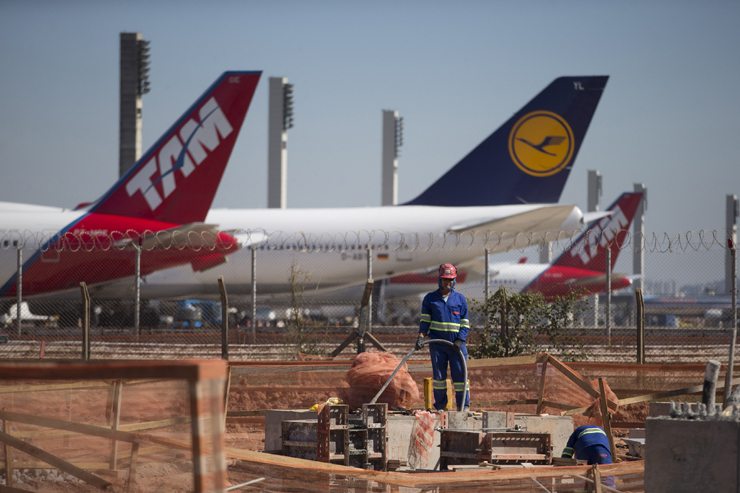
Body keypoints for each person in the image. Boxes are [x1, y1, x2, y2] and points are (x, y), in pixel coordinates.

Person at [416, 264, 470, 411]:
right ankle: (440, 406)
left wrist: (460, 340)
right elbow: (425, 321)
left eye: (451, 279)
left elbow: (465, 322)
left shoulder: (460, 299)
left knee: (460, 378)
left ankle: (463, 406)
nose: (448, 283)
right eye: (445, 279)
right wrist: (421, 337)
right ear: (440, 280)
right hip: (437, 345)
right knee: (439, 378)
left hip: (456, 346)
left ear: (455, 280)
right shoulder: (430, 299)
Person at [562, 425, 614, 490]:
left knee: (581, 475)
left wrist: (563, 463)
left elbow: (568, 449)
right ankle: (609, 490)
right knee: (606, 472)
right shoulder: (601, 430)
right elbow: (607, 448)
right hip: (602, 450)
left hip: (584, 449)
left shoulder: (577, 431)